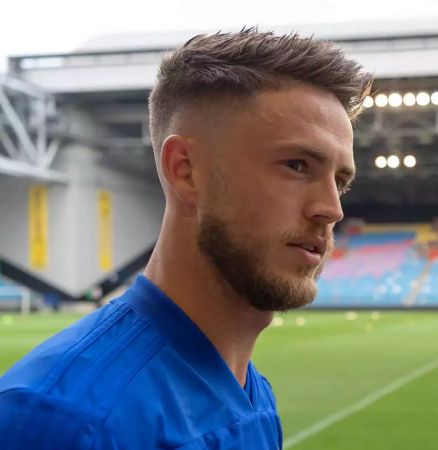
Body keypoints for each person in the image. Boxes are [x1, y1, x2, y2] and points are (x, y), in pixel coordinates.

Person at [0, 28, 372, 449]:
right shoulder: (65, 422)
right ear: (185, 170)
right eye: (297, 165)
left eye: (340, 182)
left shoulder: (254, 395)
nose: (332, 209)